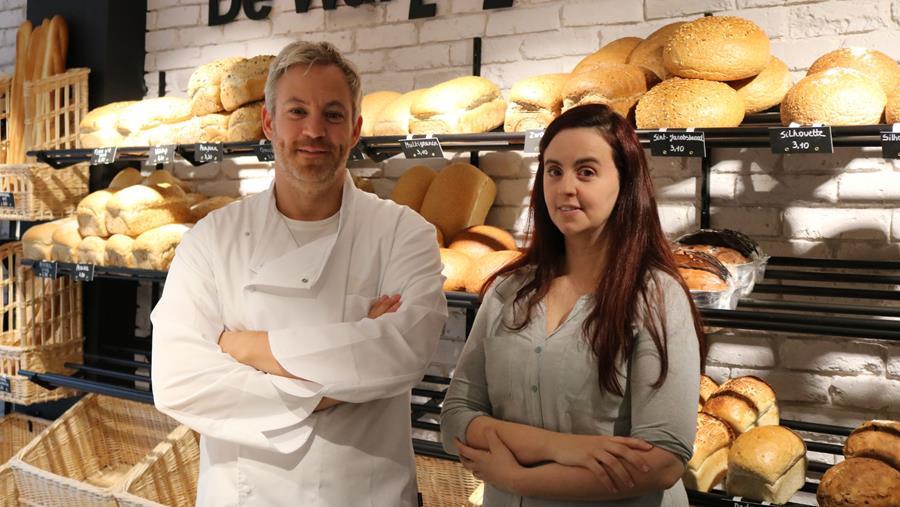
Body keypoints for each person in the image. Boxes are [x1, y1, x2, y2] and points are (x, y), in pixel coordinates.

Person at [151, 40, 448, 507]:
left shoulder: (403, 233)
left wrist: (246, 347)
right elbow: (176, 380)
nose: (314, 130)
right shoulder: (213, 238)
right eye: (296, 111)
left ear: (355, 129)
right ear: (269, 123)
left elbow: (404, 351)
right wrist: (346, 367)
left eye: (333, 114)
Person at [440, 103, 706, 506]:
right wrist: (564, 448)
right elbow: (456, 417)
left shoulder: (655, 297)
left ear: (625, 181)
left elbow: (662, 462)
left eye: (586, 171)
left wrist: (516, 477)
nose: (566, 187)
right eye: (554, 170)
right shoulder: (508, 290)